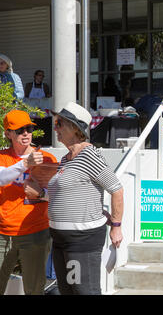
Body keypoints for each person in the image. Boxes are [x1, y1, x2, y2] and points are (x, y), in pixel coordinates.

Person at [48, 102, 124, 295]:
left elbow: (116, 189)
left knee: (84, 291)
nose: (55, 128)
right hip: (60, 238)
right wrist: (40, 194)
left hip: (81, 240)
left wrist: (116, 226)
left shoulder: (89, 155)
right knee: (68, 291)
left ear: (75, 129)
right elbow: (67, 192)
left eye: (59, 124)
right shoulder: (66, 158)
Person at [0, 110, 57, 295]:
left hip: (35, 231)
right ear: (8, 133)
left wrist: (41, 193)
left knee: (34, 290)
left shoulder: (47, 159)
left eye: (29, 128)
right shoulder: (2, 157)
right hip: (2, 233)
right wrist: (25, 164)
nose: (26, 133)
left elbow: (57, 195)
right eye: (19, 130)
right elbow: (2, 177)